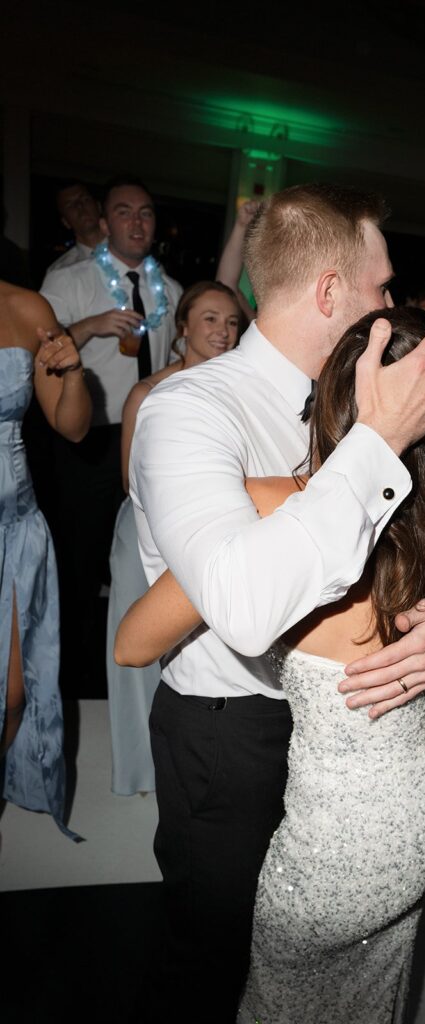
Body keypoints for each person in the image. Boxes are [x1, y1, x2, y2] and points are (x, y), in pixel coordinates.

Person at [128, 182, 425, 1019]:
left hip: (349, 748)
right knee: (215, 966)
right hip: (233, 730)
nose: (390, 304)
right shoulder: (193, 410)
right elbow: (246, 610)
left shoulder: (364, 401)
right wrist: (376, 443)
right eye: (381, 286)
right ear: (331, 292)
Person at [40, 176, 182, 687]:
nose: (137, 222)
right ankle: (74, 674)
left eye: (145, 212)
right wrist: (90, 325)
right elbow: (42, 350)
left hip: (151, 437)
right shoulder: (70, 281)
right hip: (90, 436)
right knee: (79, 558)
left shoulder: (170, 289)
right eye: (124, 212)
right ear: (103, 223)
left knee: (141, 553)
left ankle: (132, 664)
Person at [106, 282, 240, 796]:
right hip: (143, 531)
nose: (222, 332)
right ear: (183, 326)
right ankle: (140, 771)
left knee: (202, 656)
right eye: (209, 319)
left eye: (231, 322)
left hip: (210, 537)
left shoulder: (238, 392)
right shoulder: (148, 393)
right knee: (139, 648)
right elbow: (128, 481)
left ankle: (187, 763)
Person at [0, 279, 91, 834]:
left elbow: (72, 426)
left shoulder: (26, 306)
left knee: (13, 697)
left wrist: (73, 371)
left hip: (15, 529)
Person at [42, 181, 104, 283]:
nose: (80, 206)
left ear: (98, 206)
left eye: (85, 199)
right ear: (65, 222)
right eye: (70, 205)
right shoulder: (58, 272)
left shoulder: (129, 251)